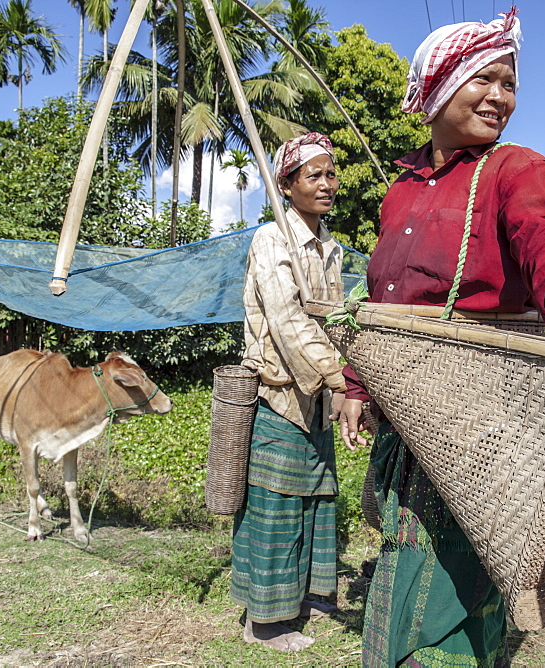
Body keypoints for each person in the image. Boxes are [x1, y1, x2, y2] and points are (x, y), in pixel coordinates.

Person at [338, 11, 545, 666]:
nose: (500, 96)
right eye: (482, 78)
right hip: (409, 425)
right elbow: (384, 303)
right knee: (404, 563)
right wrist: (358, 385)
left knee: (458, 584)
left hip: (481, 433)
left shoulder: (514, 171)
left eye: (508, 82)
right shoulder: (402, 192)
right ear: (437, 83)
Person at [230, 132, 347, 652]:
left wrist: (350, 376)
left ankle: (304, 598)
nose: (326, 183)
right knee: (275, 508)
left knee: (314, 500)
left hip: (317, 397)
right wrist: (336, 376)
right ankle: (265, 622)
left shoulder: (330, 247)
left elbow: (335, 321)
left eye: (331, 173)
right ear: (288, 185)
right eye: (313, 175)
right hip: (279, 394)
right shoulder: (271, 240)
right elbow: (284, 319)